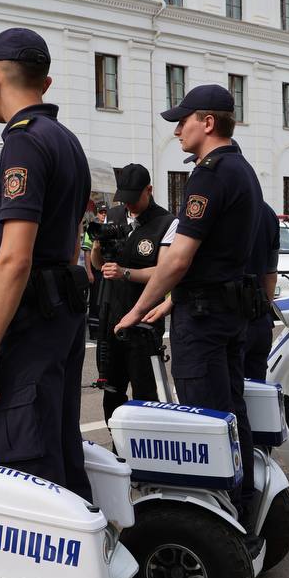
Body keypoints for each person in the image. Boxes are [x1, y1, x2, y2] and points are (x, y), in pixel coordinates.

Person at [113, 85, 263, 522]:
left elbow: (178, 257)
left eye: (184, 120)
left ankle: (221, 524)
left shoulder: (210, 173)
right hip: (227, 311)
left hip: (205, 318)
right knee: (231, 415)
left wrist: (138, 308)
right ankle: (244, 505)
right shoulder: (242, 169)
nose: (178, 129)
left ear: (208, 122)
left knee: (206, 423)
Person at [0, 27, 93, 500]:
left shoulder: (23, 144)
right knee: (59, 450)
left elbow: (14, 258)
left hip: (30, 324)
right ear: (47, 82)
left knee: (31, 470)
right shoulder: (65, 140)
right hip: (59, 316)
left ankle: (58, 572)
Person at [89, 163, 177, 422]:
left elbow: (165, 271)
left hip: (144, 323)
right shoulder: (115, 216)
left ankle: (145, 451)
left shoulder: (166, 222)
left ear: (148, 190)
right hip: (111, 317)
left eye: (133, 198)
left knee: (144, 394)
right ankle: (118, 446)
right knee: (112, 392)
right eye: (124, 199)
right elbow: (98, 266)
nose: (128, 206)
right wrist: (97, 246)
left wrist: (125, 272)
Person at [243, 202, 280, 381]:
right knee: (256, 390)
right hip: (259, 318)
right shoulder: (268, 212)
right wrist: (264, 308)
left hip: (229, 321)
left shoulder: (220, 203)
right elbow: (271, 275)